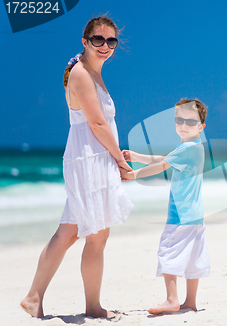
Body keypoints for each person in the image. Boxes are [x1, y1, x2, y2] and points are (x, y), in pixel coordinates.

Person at [20, 15, 133, 319]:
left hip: (93, 157)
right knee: (96, 234)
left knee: (70, 232)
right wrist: (120, 162)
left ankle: (33, 297)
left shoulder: (90, 72)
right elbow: (95, 122)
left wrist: (115, 153)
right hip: (89, 160)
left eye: (111, 41)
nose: (105, 46)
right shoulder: (82, 73)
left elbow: (99, 122)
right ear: (85, 41)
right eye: (98, 39)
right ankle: (93, 307)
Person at [121, 99, 210, 314]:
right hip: (196, 215)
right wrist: (136, 157)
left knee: (168, 250)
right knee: (193, 257)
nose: (183, 125)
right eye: (179, 120)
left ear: (201, 127)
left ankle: (172, 299)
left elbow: (162, 165)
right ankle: (190, 302)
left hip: (180, 214)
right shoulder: (194, 147)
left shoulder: (187, 148)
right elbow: (164, 158)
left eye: (190, 121)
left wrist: (133, 174)